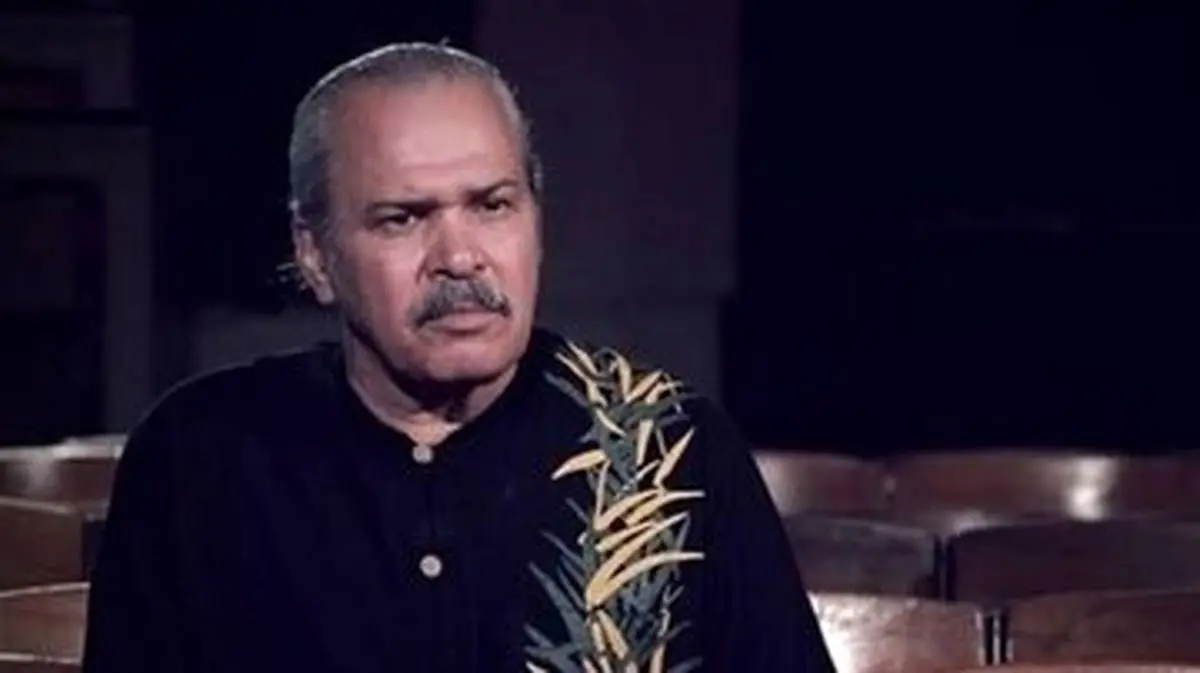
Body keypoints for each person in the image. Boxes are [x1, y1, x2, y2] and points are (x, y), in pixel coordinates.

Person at [82, 42, 835, 673]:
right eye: (403, 218)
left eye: (492, 205)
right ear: (315, 255)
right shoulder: (199, 458)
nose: (460, 257)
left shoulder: (668, 446)